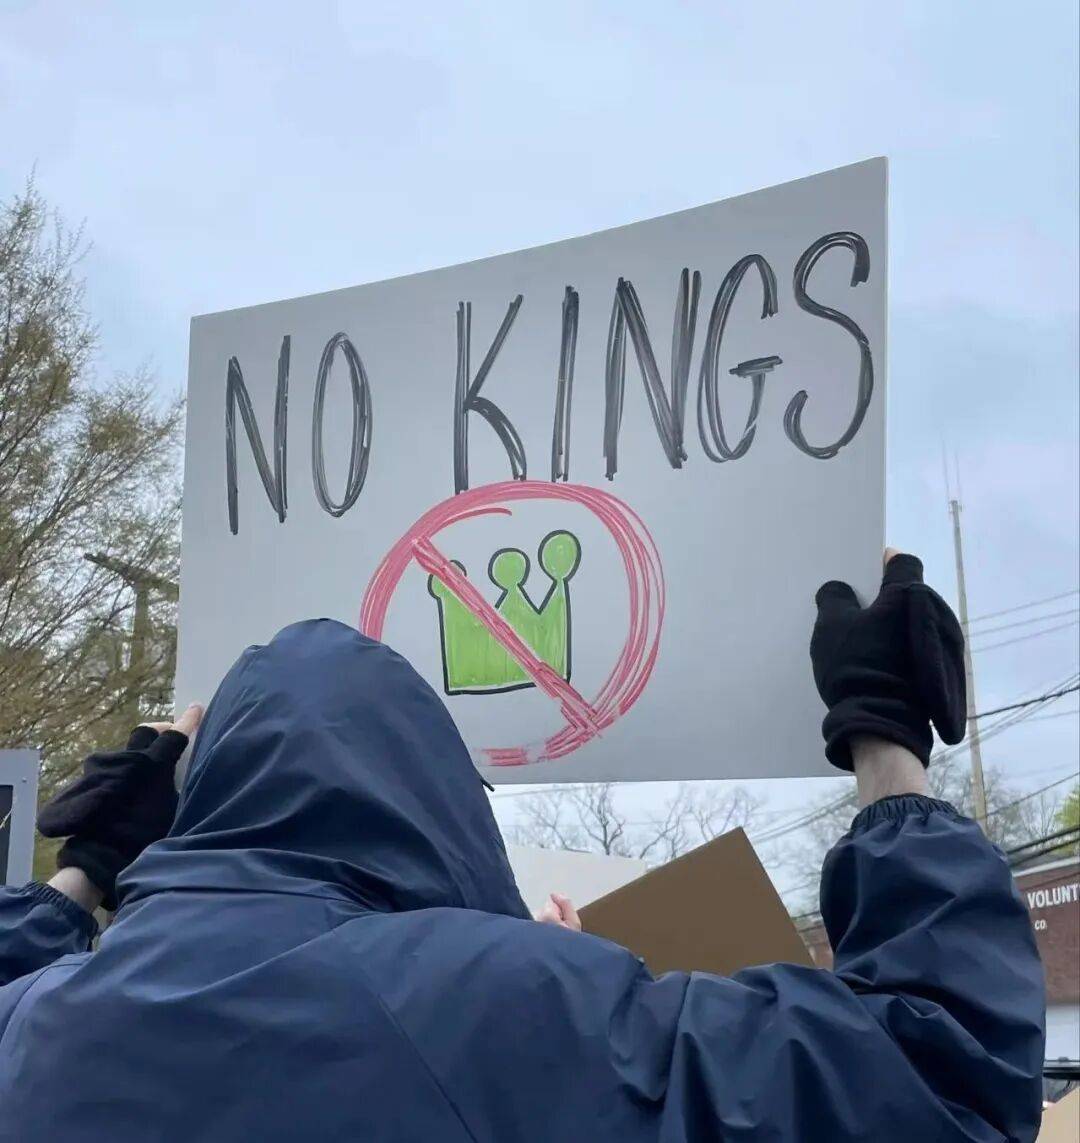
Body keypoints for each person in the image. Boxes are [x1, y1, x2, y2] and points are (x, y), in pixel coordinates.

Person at [0, 552, 1044, 1141]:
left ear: (208, 792)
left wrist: (91, 868)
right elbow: (942, 1087)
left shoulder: (38, 1025)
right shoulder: (499, 1004)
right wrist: (886, 744)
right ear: (432, 789)